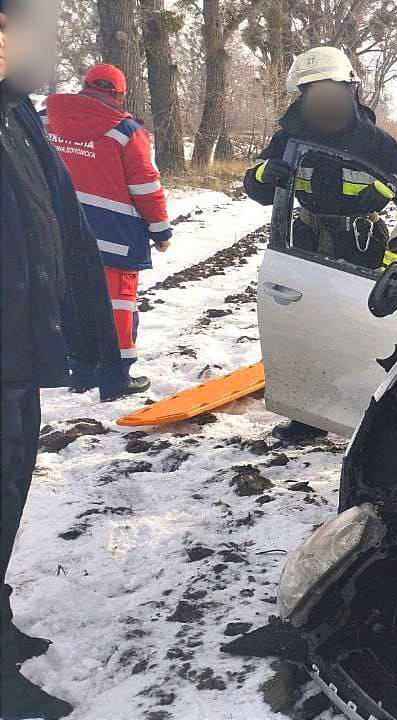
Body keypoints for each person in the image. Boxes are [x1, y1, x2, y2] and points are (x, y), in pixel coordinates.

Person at [1, 1, 120, 716]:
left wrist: (89, 339)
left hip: (18, 348)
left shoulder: (16, 114)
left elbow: (57, 224)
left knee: (10, 490)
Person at [244, 46, 397, 441]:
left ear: (349, 91)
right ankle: (309, 415)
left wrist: (390, 186)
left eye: (331, 93)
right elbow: (255, 186)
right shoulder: (289, 138)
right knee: (307, 328)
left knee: (361, 329)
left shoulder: (376, 142)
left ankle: (366, 409)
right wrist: (263, 174)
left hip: (362, 244)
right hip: (307, 242)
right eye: (315, 95)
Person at [42, 63, 173, 401]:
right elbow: (145, 186)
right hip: (112, 236)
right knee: (116, 305)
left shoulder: (44, 119)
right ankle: (115, 379)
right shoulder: (126, 131)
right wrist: (160, 230)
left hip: (56, 234)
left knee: (72, 301)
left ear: (85, 86)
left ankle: (81, 372)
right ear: (118, 94)